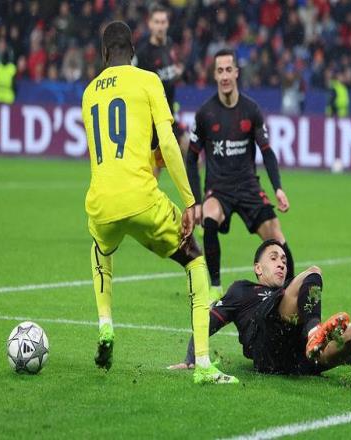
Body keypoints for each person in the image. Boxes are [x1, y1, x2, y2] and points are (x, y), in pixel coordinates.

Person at [81, 21, 237, 384]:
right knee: (194, 260)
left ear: (104, 53)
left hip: (101, 203)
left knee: (100, 249)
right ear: (133, 51)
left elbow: (109, 151)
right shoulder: (148, 80)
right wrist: (190, 201)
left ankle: (105, 324)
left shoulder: (89, 93)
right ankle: (203, 364)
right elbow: (167, 143)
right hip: (142, 198)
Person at [169, 240, 351, 375]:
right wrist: (191, 358)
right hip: (265, 347)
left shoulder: (289, 293)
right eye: (273, 258)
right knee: (313, 273)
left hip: (296, 360)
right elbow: (206, 323)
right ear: (258, 268)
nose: (281, 263)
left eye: (283, 259)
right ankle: (315, 333)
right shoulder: (242, 290)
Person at [186, 48, 295, 301]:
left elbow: (267, 152)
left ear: (236, 72)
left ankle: (290, 293)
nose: (225, 75)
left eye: (228, 70)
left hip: (248, 187)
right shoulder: (205, 114)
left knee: (277, 237)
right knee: (209, 216)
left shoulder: (251, 110)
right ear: (215, 75)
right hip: (219, 189)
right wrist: (196, 202)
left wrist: (278, 188)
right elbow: (191, 159)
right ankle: (215, 286)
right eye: (220, 71)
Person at [136, 3, 188, 168]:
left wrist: (179, 72)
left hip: (168, 115)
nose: (160, 26)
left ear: (167, 24)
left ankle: (193, 184)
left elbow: (175, 72)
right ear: (150, 24)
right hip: (152, 119)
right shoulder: (143, 54)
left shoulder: (170, 46)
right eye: (156, 22)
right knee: (154, 169)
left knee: (188, 148)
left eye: (163, 22)